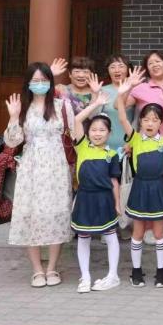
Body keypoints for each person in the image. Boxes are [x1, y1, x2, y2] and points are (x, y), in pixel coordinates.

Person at [3, 63, 75, 288]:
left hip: (56, 168)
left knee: (56, 214)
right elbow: (12, 142)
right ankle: (37, 270)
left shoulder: (62, 105)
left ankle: (52, 267)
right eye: (35, 81)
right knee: (31, 215)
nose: (40, 84)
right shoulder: (23, 108)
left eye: (44, 80)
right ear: (28, 83)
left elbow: (75, 134)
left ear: (51, 82)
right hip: (31, 168)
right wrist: (13, 117)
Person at [115, 80, 163, 289]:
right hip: (140, 188)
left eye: (155, 119)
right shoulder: (134, 138)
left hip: (158, 189)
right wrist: (122, 94)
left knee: (159, 233)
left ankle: (161, 271)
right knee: (138, 233)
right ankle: (136, 271)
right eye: (146, 119)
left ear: (161, 123)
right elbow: (122, 117)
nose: (150, 123)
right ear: (140, 121)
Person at [69, 93, 122, 293]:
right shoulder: (82, 147)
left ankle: (113, 275)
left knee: (110, 235)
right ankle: (85, 277)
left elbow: (114, 181)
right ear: (87, 132)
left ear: (109, 133)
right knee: (83, 237)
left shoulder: (112, 154)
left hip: (105, 199)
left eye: (102, 130)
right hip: (84, 198)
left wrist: (117, 203)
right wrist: (96, 104)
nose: (97, 133)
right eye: (93, 129)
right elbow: (77, 120)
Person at [126, 51, 163, 144]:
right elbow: (118, 105)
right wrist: (129, 86)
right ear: (147, 69)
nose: (154, 65)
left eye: (158, 61)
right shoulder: (141, 88)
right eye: (150, 63)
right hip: (147, 140)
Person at [98, 54, 134, 151]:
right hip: (105, 144)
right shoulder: (102, 90)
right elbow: (95, 117)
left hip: (129, 145)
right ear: (108, 70)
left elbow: (138, 119)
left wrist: (132, 140)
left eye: (121, 66)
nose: (117, 70)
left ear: (128, 69)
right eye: (112, 67)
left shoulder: (134, 89)